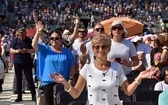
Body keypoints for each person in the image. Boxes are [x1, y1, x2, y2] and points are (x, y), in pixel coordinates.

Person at [50, 34, 156, 105]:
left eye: (104, 47)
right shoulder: (87, 69)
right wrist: (64, 82)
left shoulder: (117, 67)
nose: (100, 50)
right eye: (97, 47)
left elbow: (128, 91)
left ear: (109, 49)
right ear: (93, 49)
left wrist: (139, 77)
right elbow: (76, 93)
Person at [32, 22, 75, 105]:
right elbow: (34, 45)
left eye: (56, 38)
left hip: (63, 81)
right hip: (48, 82)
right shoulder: (45, 49)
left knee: (63, 102)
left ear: (61, 40)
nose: (54, 40)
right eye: (52, 38)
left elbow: (72, 65)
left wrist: (70, 79)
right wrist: (38, 32)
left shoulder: (66, 52)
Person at [10, 27, 36, 102]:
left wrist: (27, 50)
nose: (21, 37)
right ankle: (19, 95)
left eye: (23, 35)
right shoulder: (15, 40)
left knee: (29, 79)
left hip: (26, 62)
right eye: (20, 35)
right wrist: (17, 51)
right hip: (18, 61)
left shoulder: (28, 40)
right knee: (18, 79)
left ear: (25, 34)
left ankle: (33, 95)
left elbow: (34, 50)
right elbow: (11, 50)